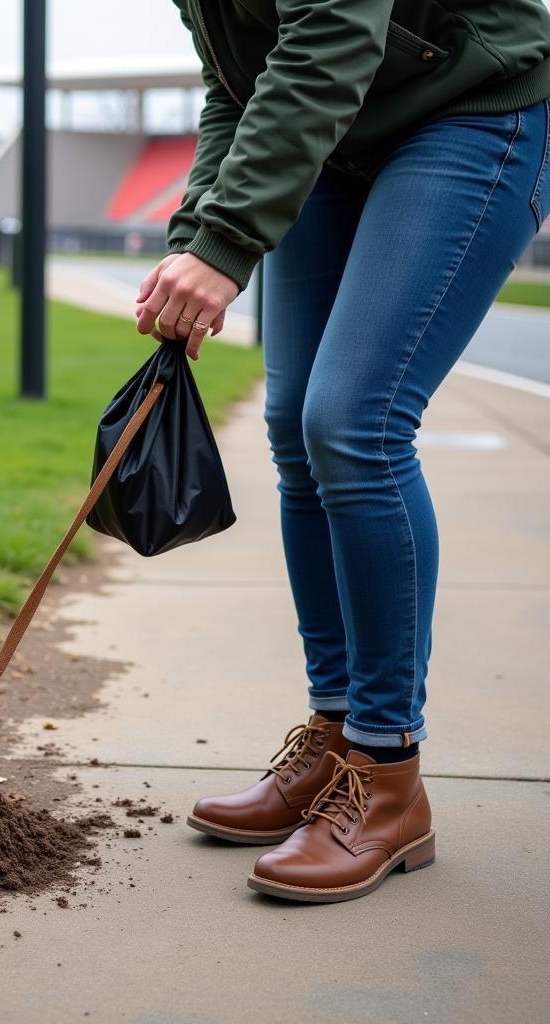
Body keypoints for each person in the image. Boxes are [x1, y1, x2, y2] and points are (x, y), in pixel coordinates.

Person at [136, 0, 550, 903]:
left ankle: (388, 774)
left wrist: (227, 243)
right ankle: (335, 742)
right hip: (337, 134)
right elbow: (234, 86)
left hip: (465, 107)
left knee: (354, 424)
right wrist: (192, 237)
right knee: (294, 428)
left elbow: (332, 35)